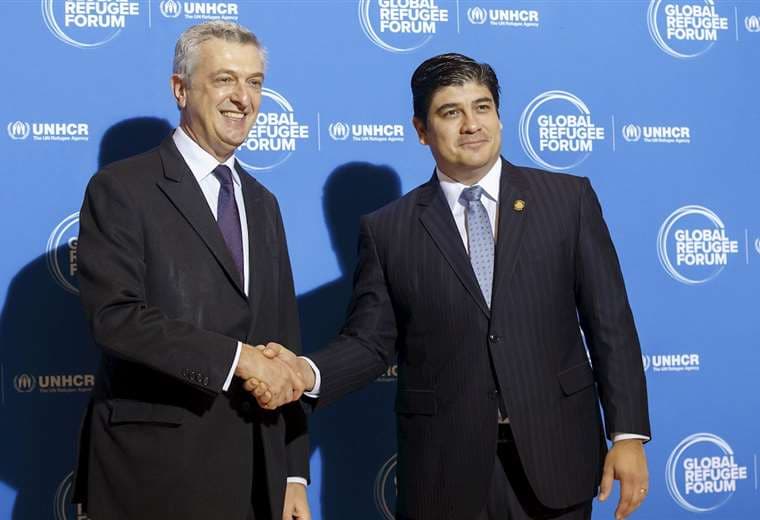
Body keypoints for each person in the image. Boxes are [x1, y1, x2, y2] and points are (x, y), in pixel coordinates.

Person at [253, 53, 651, 520]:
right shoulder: (388, 230)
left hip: (557, 457)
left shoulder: (567, 201)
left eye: (482, 107)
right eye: (450, 112)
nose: (471, 125)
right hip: (443, 471)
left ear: (498, 116)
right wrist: (306, 373)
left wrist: (627, 434)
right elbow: (370, 343)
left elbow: (610, 323)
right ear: (421, 130)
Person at [72, 21, 311, 520]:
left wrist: (292, 472)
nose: (243, 98)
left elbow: (283, 339)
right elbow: (116, 318)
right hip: (154, 476)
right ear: (180, 89)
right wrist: (239, 360)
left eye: (254, 82)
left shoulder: (263, 203)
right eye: (225, 80)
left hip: (257, 478)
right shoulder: (121, 188)